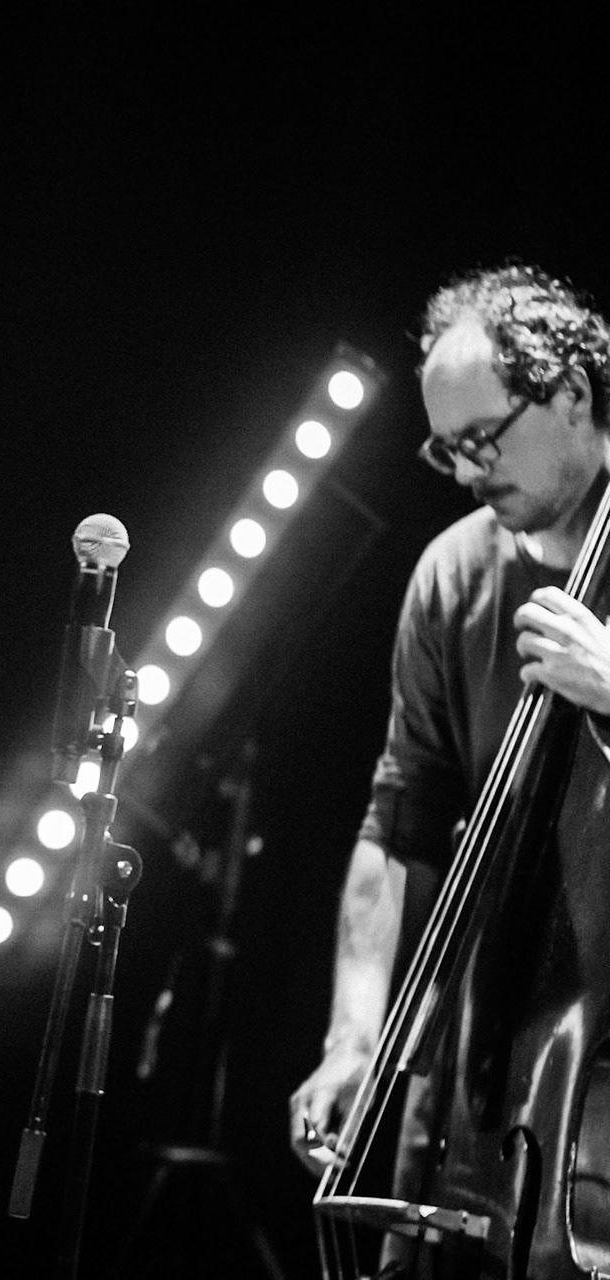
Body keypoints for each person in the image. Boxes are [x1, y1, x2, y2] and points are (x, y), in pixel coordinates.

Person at [288, 267, 610, 1220]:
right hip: (474, 1069)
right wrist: (354, 1034)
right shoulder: (451, 573)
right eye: (447, 449)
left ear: (574, 394)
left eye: (484, 439)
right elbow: (402, 821)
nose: (468, 471)